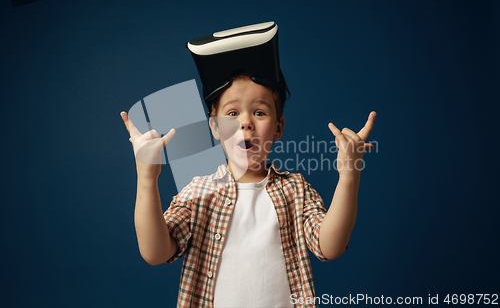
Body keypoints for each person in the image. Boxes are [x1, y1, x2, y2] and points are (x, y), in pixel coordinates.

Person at [120, 22, 376, 308]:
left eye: (259, 112)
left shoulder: (296, 190)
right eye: (232, 112)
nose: (245, 122)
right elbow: (155, 253)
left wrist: (349, 175)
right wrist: (146, 176)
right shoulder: (198, 193)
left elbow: (330, 247)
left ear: (278, 127)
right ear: (215, 128)